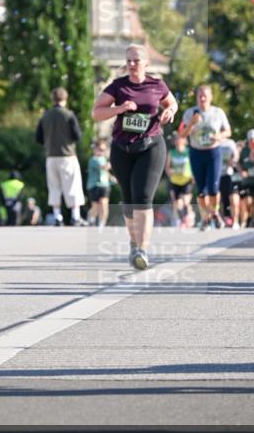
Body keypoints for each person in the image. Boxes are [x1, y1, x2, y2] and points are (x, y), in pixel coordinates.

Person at [92, 44, 178, 270]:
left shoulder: (157, 84)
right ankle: (133, 242)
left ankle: (142, 249)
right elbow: (97, 112)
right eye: (128, 60)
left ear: (146, 63)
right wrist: (119, 108)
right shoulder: (118, 86)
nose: (131, 64)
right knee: (129, 199)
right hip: (122, 149)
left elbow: (171, 102)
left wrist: (170, 110)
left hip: (151, 145)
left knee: (142, 197)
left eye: (136, 60)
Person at [179, 85, 232, 230]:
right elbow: (182, 135)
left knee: (214, 188)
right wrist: (191, 124)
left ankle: (213, 213)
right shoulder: (190, 113)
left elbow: (228, 131)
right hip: (196, 153)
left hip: (213, 152)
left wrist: (219, 136)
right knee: (201, 190)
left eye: (205, 96)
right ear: (196, 97)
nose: (202, 98)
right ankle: (206, 218)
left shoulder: (217, 112)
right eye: (200, 96)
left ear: (211, 97)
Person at [36, 87, 86, 226]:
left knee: (54, 187)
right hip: (67, 155)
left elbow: (38, 138)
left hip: (51, 156)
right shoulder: (69, 115)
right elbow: (77, 135)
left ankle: (58, 216)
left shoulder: (45, 116)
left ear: (53, 99)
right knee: (72, 186)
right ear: (66, 98)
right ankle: (75, 216)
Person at [165, 133, 194, 228]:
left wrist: (194, 176)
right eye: (177, 139)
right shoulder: (171, 152)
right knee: (177, 203)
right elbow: (167, 167)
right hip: (175, 181)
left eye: (180, 139)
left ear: (184, 141)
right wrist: (170, 171)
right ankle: (181, 220)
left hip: (187, 180)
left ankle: (189, 216)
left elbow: (194, 165)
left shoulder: (189, 151)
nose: (178, 141)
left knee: (185, 201)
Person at [238, 130, 254, 228]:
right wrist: (241, 171)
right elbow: (238, 163)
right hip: (246, 180)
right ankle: (248, 218)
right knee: (246, 201)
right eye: (250, 139)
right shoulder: (244, 150)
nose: (252, 141)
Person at [86, 138, 112, 228]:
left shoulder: (104, 159)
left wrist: (112, 178)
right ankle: (91, 218)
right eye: (100, 149)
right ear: (95, 149)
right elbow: (103, 168)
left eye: (103, 150)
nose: (102, 151)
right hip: (94, 186)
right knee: (96, 206)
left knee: (104, 203)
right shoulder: (93, 160)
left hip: (104, 185)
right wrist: (112, 161)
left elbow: (105, 172)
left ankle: (102, 223)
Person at [219, 135, 241, 229]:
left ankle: (235, 221)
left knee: (234, 199)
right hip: (219, 175)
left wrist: (232, 161)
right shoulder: (213, 143)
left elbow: (236, 155)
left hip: (230, 174)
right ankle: (224, 219)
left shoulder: (230, 143)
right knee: (222, 200)